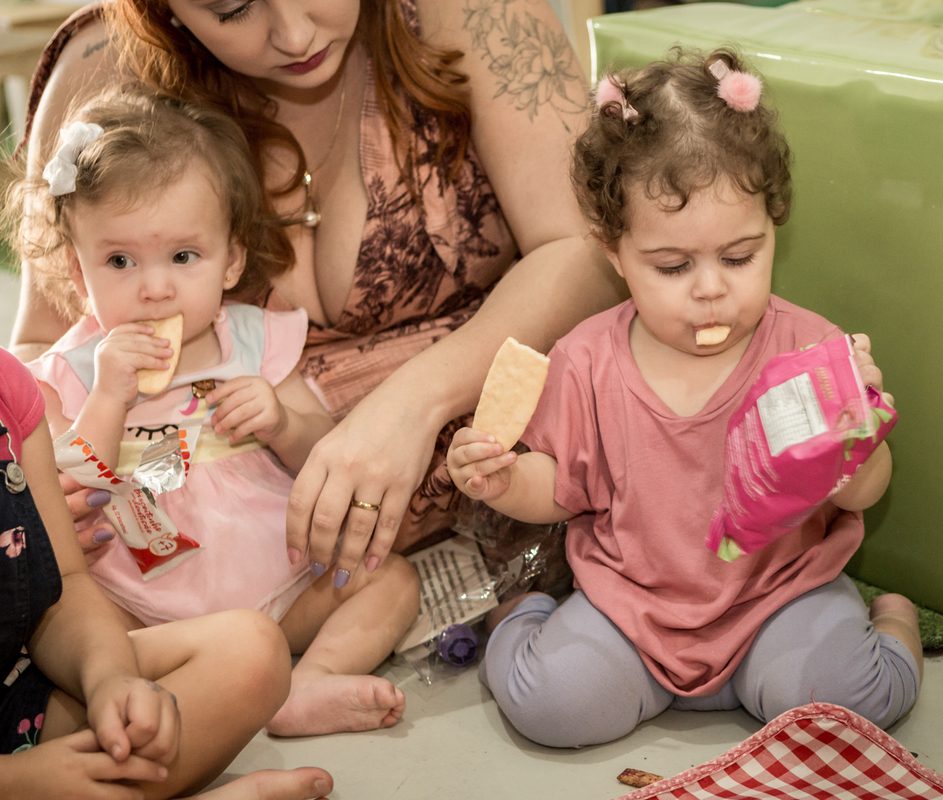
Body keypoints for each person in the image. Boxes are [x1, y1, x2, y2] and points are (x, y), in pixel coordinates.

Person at [10, 0, 625, 582]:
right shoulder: (101, 70)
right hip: (199, 569)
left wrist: (413, 403)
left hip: (516, 511)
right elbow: (44, 347)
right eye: (231, 10)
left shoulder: (471, 13)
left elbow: (586, 250)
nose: (295, 35)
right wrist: (56, 487)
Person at [446, 49, 924, 748]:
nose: (710, 288)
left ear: (773, 229)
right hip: (630, 607)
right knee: (551, 706)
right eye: (672, 266)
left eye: (740, 256)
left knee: (843, 709)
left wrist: (852, 446)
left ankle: (895, 622)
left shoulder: (805, 351)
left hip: (778, 598)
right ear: (614, 251)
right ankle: (519, 614)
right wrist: (505, 479)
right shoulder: (585, 361)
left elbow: (865, 494)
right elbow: (562, 489)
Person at [13, 89, 418, 737]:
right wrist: (110, 395)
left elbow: (326, 450)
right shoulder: (67, 374)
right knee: (70, 634)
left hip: (276, 576)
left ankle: (308, 682)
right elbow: (64, 495)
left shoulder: (254, 340)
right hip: (145, 606)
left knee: (390, 580)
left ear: (229, 260)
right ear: (77, 269)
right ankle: (176, 697)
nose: (154, 287)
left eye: (183, 257)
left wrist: (282, 423)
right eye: (119, 261)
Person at [0, 346, 334, 799]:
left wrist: (108, 678)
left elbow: (67, 584)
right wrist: (23, 782)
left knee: (252, 649)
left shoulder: (11, 387)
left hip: (16, 693)